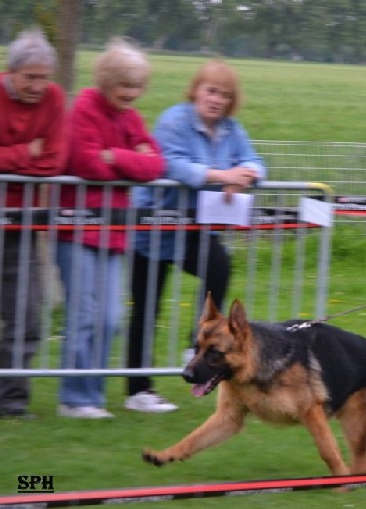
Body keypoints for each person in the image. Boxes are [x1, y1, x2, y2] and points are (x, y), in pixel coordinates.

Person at [126, 59, 267, 413]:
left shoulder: (232, 129)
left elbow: (256, 162)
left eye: (224, 94)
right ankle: (138, 389)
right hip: (154, 225)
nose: (216, 100)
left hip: (194, 229)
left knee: (219, 267)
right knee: (146, 306)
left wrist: (245, 175)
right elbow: (173, 165)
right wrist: (223, 175)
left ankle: (198, 346)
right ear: (196, 91)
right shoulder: (174, 120)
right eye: (211, 91)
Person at [54, 38, 164, 418]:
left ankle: (94, 395)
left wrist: (115, 155)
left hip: (115, 232)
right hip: (77, 230)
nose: (132, 94)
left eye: (137, 87)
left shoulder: (131, 118)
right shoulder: (83, 108)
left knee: (111, 317)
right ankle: (75, 398)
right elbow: (86, 165)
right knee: (83, 315)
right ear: (106, 81)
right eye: (125, 86)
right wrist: (130, 161)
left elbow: (155, 167)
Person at [0, 29, 68, 419]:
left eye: (44, 77)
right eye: (30, 78)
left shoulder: (54, 99)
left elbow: (53, 161)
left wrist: (4, 158)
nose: (39, 86)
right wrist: (26, 152)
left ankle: (8, 401)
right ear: (10, 72)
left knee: (25, 313)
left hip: (17, 224)